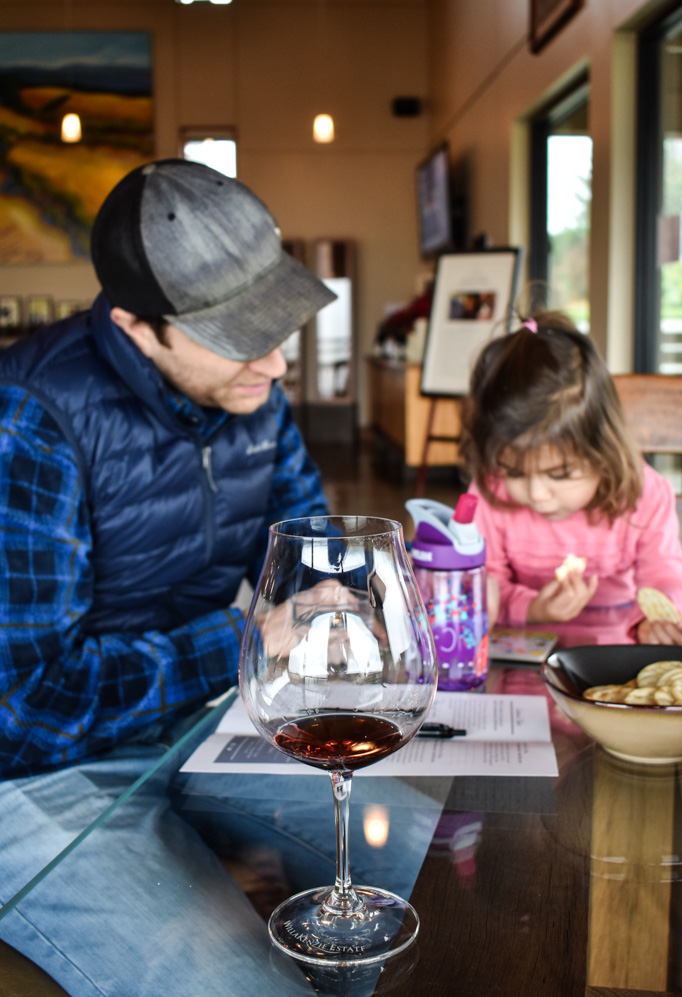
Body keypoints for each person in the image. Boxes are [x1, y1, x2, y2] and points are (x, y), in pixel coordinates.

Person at [0, 159, 396, 996]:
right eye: (241, 334)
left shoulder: (247, 385)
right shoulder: (28, 421)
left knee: (420, 859)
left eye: (278, 325)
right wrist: (246, 642)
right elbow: (28, 706)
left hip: (205, 722)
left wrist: (367, 585)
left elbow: (313, 543)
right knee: (247, 987)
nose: (279, 363)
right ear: (136, 326)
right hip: (40, 780)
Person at [461, 311, 682, 649]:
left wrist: (655, 621)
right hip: (524, 644)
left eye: (560, 474)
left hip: (620, 644)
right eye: (515, 471)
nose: (537, 494)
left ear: (602, 452)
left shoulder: (644, 494)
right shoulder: (491, 491)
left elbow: (663, 575)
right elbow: (487, 581)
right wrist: (533, 608)